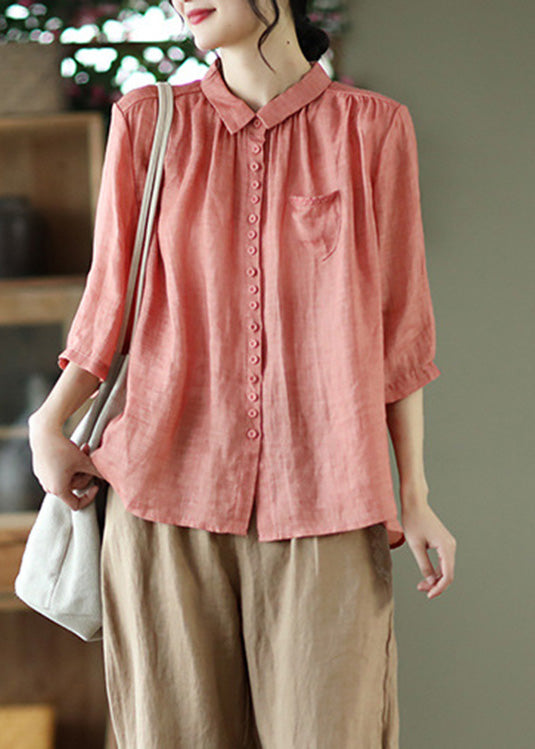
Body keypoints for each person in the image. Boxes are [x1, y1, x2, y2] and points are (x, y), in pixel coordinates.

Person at [28, 0, 457, 746]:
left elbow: (401, 331)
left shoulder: (372, 128)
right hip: (163, 498)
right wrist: (48, 422)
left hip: (328, 498)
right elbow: (106, 308)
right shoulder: (149, 123)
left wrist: (414, 495)